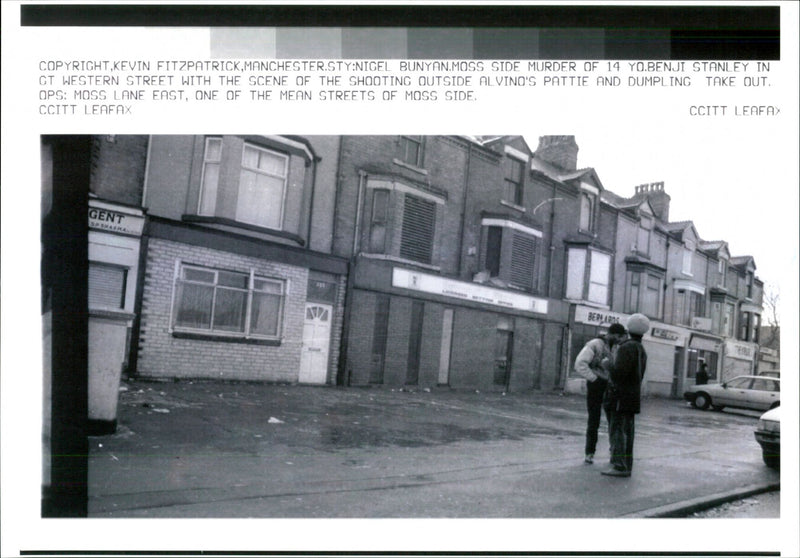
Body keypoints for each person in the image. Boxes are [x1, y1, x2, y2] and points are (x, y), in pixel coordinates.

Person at [602, 313, 649, 478]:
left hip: (619, 398)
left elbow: (618, 374)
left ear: (629, 328)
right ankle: (626, 465)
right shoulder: (640, 348)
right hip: (631, 397)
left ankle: (619, 466)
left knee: (618, 431)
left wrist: (608, 365)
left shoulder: (626, 347)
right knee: (628, 433)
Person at [574, 323, 627, 464]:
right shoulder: (594, 344)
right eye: (618, 336)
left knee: (612, 419)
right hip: (596, 385)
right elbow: (580, 363)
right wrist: (594, 378)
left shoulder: (615, 347)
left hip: (609, 385)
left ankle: (613, 451)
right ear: (612, 334)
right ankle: (589, 453)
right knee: (594, 420)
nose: (618, 339)